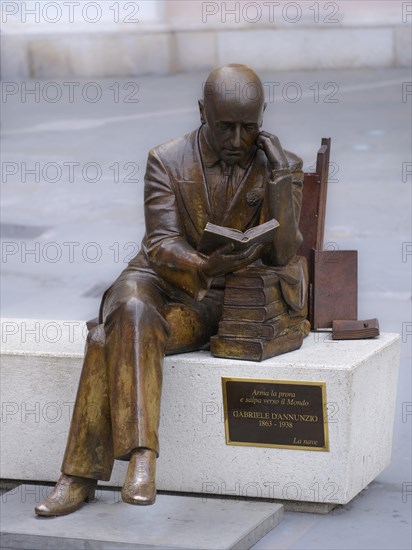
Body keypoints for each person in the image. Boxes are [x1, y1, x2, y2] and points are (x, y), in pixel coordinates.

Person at [35, 64, 308, 517]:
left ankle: (78, 476)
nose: (238, 140)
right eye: (225, 127)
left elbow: (282, 255)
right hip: (155, 280)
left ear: (263, 118)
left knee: (109, 336)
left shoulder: (283, 166)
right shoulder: (166, 159)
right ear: (203, 111)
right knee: (135, 309)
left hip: (216, 304)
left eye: (249, 127)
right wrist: (203, 263)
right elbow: (160, 243)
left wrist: (279, 176)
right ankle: (142, 457)